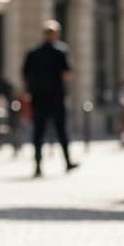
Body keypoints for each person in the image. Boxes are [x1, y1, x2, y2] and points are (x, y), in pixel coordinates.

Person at [22, 19, 79, 177]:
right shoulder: (60, 51)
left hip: (38, 97)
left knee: (38, 132)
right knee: (61, 130)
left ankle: (38, 165)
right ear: (55, 34)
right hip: (56, 97)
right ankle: (67, 162)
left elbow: (25, 74)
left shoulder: (33, 52)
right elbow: (67, 74)